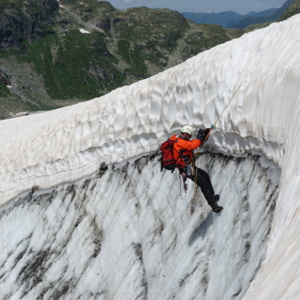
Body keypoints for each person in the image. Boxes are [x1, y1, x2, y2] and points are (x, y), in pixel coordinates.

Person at [170, 125, 223, 213]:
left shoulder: (179, 139)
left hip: (188, 166)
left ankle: (212, 197)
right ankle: (213, 205)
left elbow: (192, 143)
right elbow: (192, 144)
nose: (190, 137)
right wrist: (199, 137)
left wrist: (203, 135)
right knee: (203, 183)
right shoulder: (180, 142)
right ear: (186, 134)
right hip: (186, 168)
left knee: (205, 176)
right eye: (189, 135)